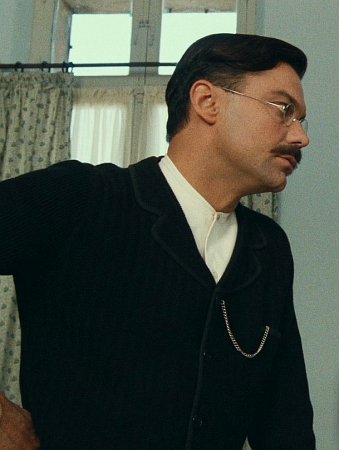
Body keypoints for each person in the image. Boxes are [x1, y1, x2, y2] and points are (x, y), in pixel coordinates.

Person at [0, 33, 316, 449]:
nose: (301, 137)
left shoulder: (268, 248)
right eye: (284, 109)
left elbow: (285, 422)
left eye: (301, 119)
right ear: (207, 101)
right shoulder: (80, 198)